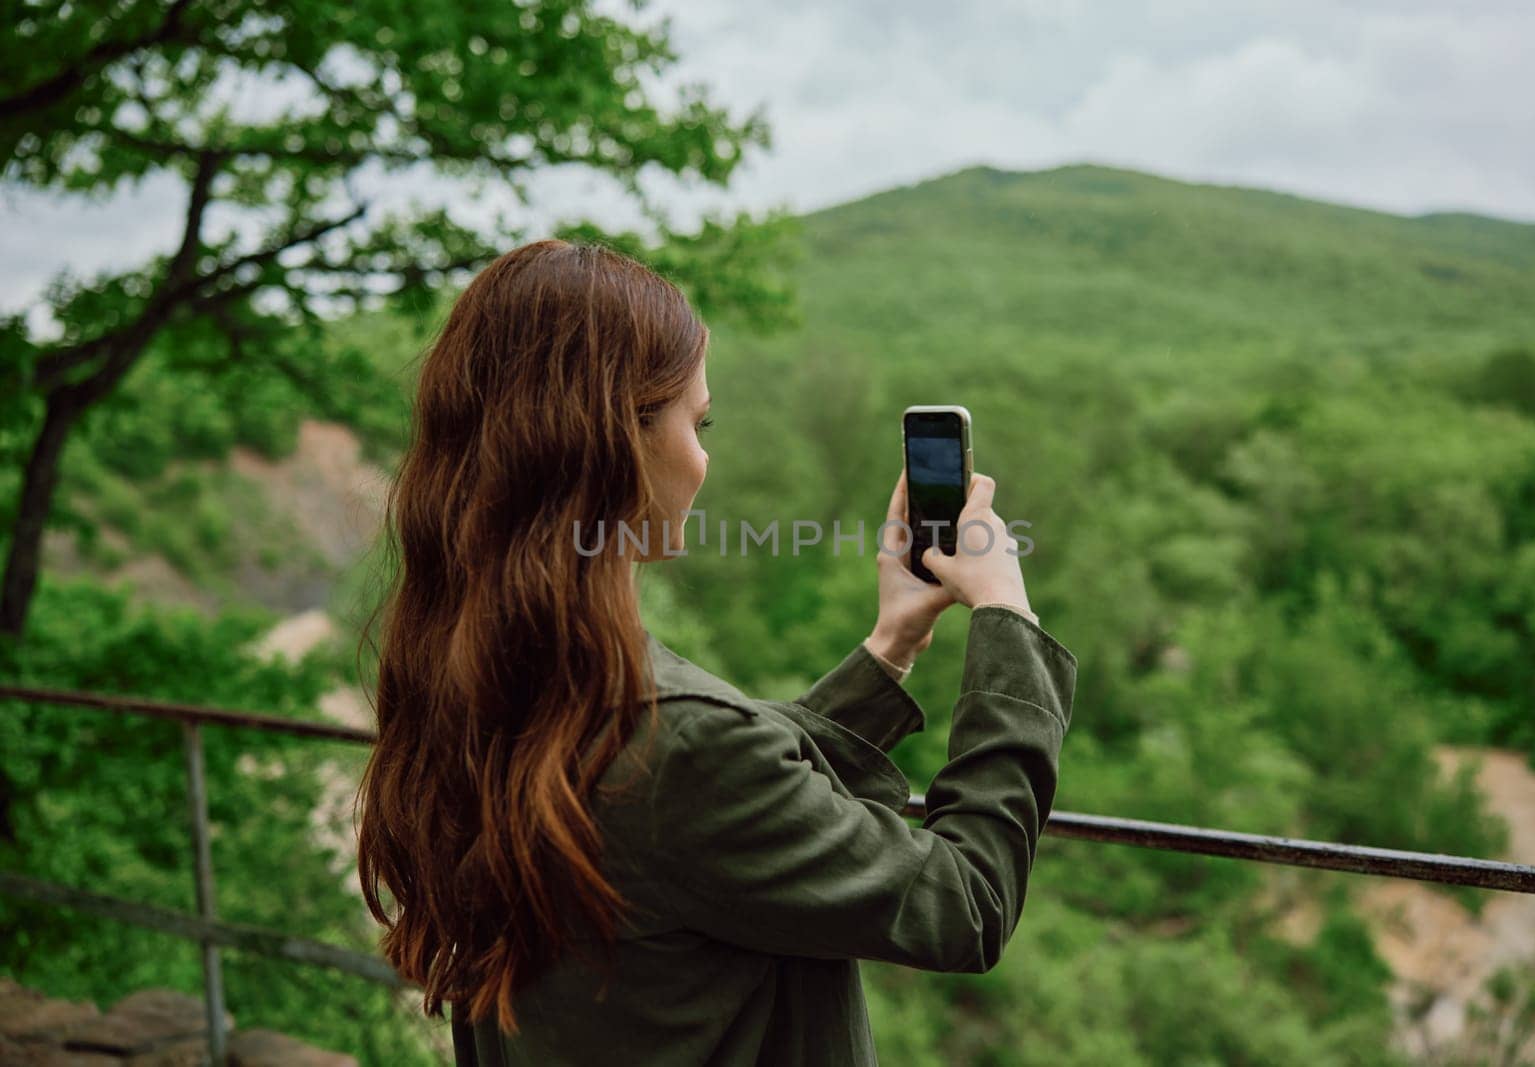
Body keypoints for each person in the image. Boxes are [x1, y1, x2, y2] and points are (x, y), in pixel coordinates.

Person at [354, 239, 1077, 1066]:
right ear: (615, 438)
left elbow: (713, 808)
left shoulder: (481, 673)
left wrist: (890, 646)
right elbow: (965, 902)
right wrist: (1006, 616)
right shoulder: (671, 741)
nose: (705, 457)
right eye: (697, 423)